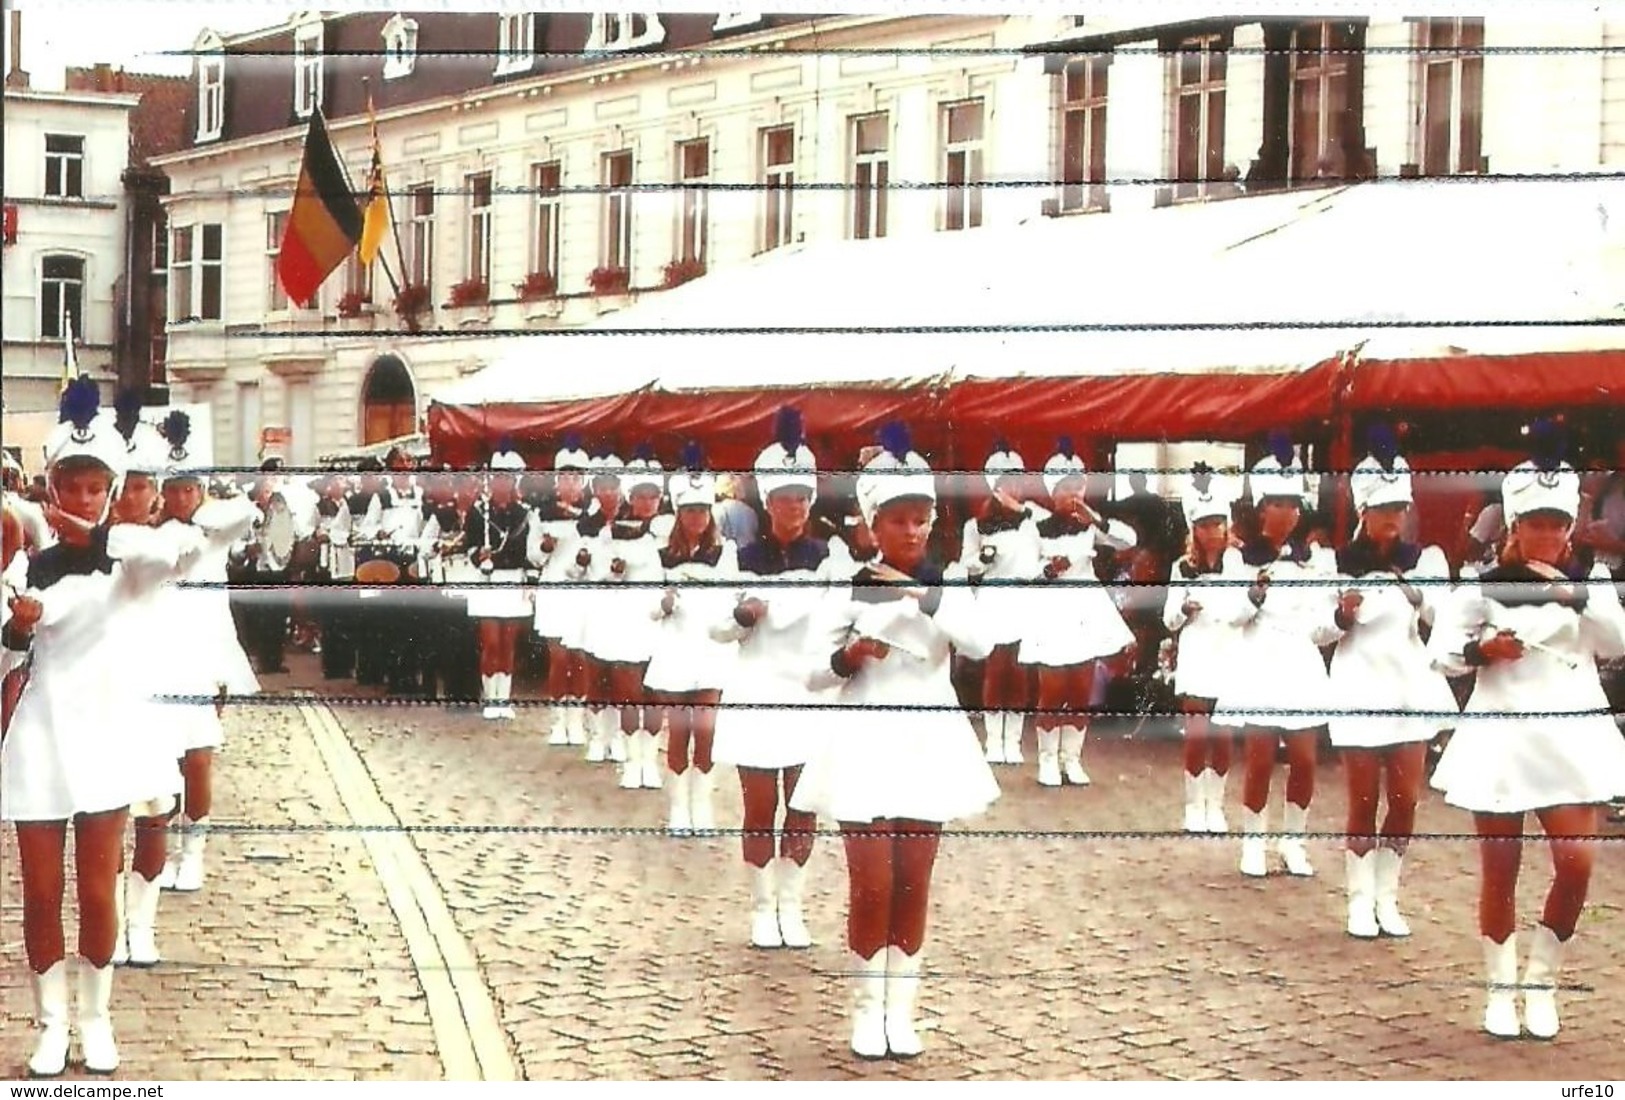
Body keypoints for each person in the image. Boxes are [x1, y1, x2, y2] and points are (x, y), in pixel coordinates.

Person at [792, 422, 998, 1060]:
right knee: (873, 882)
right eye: (898, 520)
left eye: (921, 519)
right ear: (871, 525)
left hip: (928, 741)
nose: (912, 531)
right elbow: (812, 671)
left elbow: (981, 644)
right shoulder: (849, 584)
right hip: (863, 740)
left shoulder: (946, 584)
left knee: (914, 879)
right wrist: (852, 653)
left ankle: (900, 1010)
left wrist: (923, 596)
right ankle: (865, 1007)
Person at [1, 380, 174, 1075]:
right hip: (40, 740)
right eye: (70, 487)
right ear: (52, 489)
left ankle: (96, 1018)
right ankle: (51, 1024)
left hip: (104, 738)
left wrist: (100, 536)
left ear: (111, 491)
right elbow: (7, 654)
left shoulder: (128, 565)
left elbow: (165, 557)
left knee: (98, 888)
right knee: (42, 892)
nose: (81, 499)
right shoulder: (24, 567)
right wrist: (17, 628)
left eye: (94, 488)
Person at [1428, 447, 1625, 1039]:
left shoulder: (1589, 582)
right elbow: (1440, 654)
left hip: (1571, 734)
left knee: (1576, 863)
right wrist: (1482, 651)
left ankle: (1542, 980)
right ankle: (1499, 988)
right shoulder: (1482, 588)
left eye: (1557, 524)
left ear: (1569, 528)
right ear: (1515, 527)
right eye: (1535, 523)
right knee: (1501, 869)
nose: (1546, 534)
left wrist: (1576, 595)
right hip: (1504, 736)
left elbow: (1616, 643)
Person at [1327, 429, 1459, 939]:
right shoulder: (1335, 563)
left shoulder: (1424, 560)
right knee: (1362, 800)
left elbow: (1442, 616)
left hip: (1409, 686)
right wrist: (1342, 614)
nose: (1394, 518)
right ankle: (1359, 900)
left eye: (1400, 508)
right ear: (1364, 510)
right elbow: (1319, 628)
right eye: (1384, 509)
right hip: (1359, 686)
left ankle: (1388, 895)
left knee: (1405, 799)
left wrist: (1419, 597)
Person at [710, 408, 834, 949]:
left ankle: (792, 904)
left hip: (806, 692)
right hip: (757, 691)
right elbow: (714, 625)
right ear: (768, 502)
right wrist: (742, 616)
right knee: (760, 807)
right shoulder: (741, 557)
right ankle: (762, 906)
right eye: (786, 500)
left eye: (803, 499)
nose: (796, 509)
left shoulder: (827, 556)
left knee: (802, 805)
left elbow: (838, 617)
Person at [1214, 434, 1341, 879]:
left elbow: (1323, 625)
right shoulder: (1239, 559)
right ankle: (1253, 841)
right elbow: (1229, 615)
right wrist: (1253, 594)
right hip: (1259, 661)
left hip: (1300, 663)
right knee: (1261, 757)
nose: (1287, 512)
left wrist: (1342, 618)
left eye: (1294, 504)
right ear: (1262, 508)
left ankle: (1293, 841)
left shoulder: (1317, 560)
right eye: (1278, 503)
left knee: (1305, 759)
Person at [150, 411, 261, 894]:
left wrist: (202, 508)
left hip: (204, 652)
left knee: (198, 756)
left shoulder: (216, 530)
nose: (181, 498)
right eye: (173, 489)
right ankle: (169, 846)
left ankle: (194, 849)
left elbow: (248, 511)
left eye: (189, 488)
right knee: (163, 760)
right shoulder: (152, 533)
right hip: (158, 654)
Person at [1018, 438, 1137, 788]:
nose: (1072, 495)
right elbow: (1024, 572)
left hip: (1085, 610)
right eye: (1065, 489)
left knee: (1081, 687)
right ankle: (1047, 760)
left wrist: (1096, 518)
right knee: (1053, 687)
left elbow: (1127, 541)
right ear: (1052, 492)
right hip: (1051, 610)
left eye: (1077, 488)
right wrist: (1049, 571)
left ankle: (1072, 759)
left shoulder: (1090, 526)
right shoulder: (1034, 527)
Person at [644, 444, 739, 832]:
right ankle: (679, 807)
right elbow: (647, 606)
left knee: (707, 730)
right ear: (679, 516)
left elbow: (734, 596)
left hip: (712, 650)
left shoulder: (725, 552)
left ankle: (703, 805)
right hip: (676, 652)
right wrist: (663, 603)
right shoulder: (662, 554)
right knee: (679, 731)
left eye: (702, 511)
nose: (697, 518)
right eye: (689, 512)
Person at [1162, 465, 1240, 833]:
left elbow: (1245, 609)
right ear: (1194, 529)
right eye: (1205, 525)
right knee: (1197, 734)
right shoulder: (1181, 567)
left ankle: (1216, 805)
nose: (1213, 532)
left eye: (1218, 524)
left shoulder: (1238, 564)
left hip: (1227, 654)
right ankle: (1194, 806)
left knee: (1222, 736)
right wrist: (1183, 609)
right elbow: (1168, 618)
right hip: (1196, 654)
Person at [960, 440, 1044, 766]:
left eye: (1017, 481)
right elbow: (969, 563)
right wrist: (982, 558)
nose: (1013, 488)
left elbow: (1042, 554)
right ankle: (994, 741)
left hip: (1023, 598)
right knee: (996, 669)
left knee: (1020, 671)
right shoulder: (977, 525)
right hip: (994, 597)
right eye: (1006, 482)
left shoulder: (1033, 518)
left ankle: (1014, 740)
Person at [527, 434, 592, 745]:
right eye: (565, 476)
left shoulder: (593, 515)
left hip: (581, 592)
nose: (570, 482)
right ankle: (558, 721)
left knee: (579, 658)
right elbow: (533, 555)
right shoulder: (541, 512)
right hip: (553, 588)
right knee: (558, 658)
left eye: (576, 477)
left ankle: (577, 720)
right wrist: (545, 546)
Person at [464, 446, 534, 720]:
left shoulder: (524, 513)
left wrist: (529, 582)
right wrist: (477, 555)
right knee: (491, 642)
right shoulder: (478, 511)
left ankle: (504, 699)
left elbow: (529, 551)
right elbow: (469, 544)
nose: (502, 483)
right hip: (488, 580)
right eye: (497, 478)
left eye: (507, 478)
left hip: (514, 579)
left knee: (508, 643)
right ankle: (490, 698)